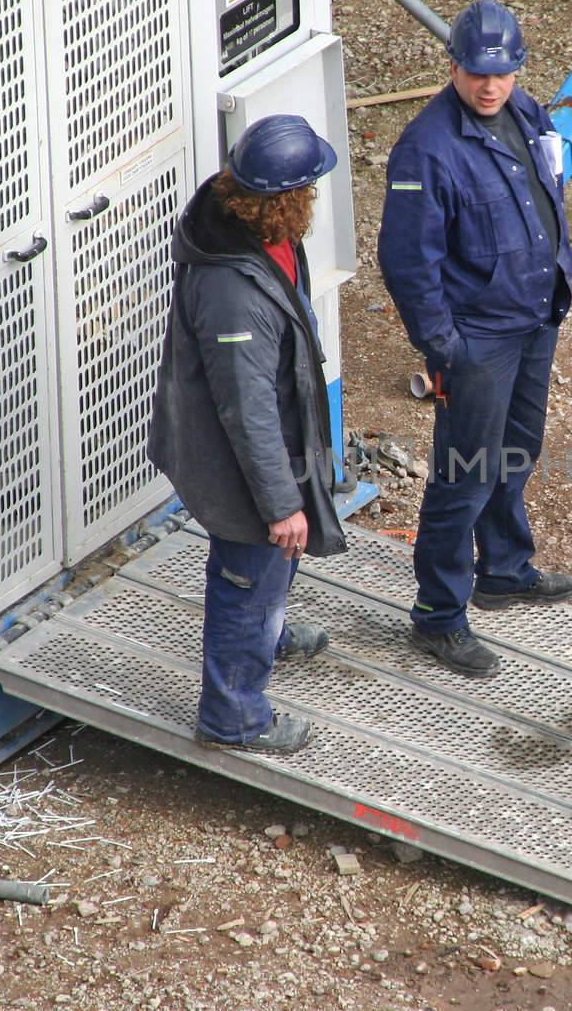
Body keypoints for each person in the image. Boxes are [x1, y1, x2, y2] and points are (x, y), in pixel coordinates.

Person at [378, 0, 572, 679]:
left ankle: (504, 569)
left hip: (532, 319)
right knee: (464, 472)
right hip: (478, 338)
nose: (488, 86)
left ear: (517, 68)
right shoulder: (427, 149)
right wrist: (446, 350)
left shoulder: (524, 111)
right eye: (474, 73)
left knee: (516, 449)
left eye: (501, 73)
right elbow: (408, 262)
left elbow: (548, 192)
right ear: (453, 65)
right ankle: (438, 614)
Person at [147, 114, 347, 755]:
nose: (314, 198)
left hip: (274, 444)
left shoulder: (261, 238)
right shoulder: (233, 288)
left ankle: (271, 631)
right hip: (242, 458)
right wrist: (280, 501)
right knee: (249, 572)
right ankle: (233, 717)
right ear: (286, 200)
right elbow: (247, 407)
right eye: (309, 189)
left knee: (269, 568)